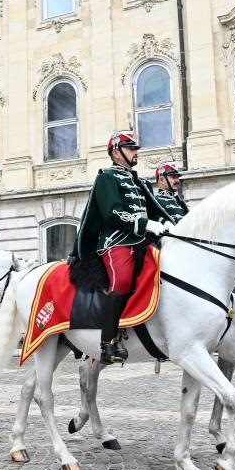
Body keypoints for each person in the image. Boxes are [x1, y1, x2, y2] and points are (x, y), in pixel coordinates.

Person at [69, 130, 173, 365]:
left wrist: (164, 222)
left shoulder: (139, 181)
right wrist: (146, 224)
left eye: (135, 148)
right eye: (131, 148)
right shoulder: (107, 178)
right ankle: (107, 342)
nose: (136, 152)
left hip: (142, 242)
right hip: (116, 241)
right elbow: (112, 213)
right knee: (122, 280)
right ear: (116, 153)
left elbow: (154, 210)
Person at [152, 160, 189, 225]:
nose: (177, 181)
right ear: (162, 180)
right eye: (173, 177)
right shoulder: (155, 201)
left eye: (177, 177)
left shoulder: (179, 201)